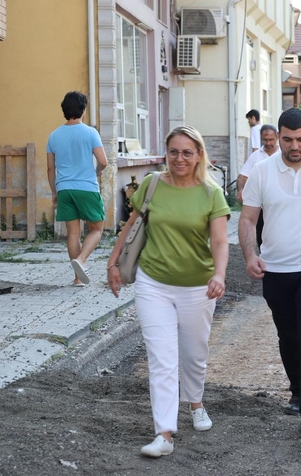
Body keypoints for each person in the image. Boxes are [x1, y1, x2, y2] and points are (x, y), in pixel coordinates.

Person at [106, 126, 230, 458]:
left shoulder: (211, 193)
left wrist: (219, 274)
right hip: (153, 282)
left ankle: (196, 402)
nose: (179, 158)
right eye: (173, 151)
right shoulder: (152, 184)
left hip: (197, 287)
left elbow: (219, 240)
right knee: (161, 359)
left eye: (187, 152)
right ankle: (164, 434)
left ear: (199, 155)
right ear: (166, 153)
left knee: (193, 353)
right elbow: (132, 224)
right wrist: (113, 263)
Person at [239, 108, 301, 433]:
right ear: (277, 137)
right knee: (288, 333)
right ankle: (297, 390)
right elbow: (248, 219)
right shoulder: (262, 172)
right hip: (275, 270)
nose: (295, 146)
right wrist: (251, 255)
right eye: (288, 139)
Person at [46, 91, 108, 287]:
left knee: (73, 233)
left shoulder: (54, 135)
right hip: (87, 188)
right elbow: (103, 162)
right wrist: (97, 172)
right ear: (83, 109)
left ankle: (77, 278)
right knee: (97, 229)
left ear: (64, 110)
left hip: (64, 188)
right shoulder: (90, 132)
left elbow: (50, 167)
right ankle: (81, 261)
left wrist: (55, 192)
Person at [236, 124, 278, 202]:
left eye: (271, 139)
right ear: (261, 138)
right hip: (259, 202)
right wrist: (240, 191)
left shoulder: (283, 154)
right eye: (265, 140)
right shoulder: (255, 156)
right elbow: (243, 176)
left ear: (277, 137)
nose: (268, 143)